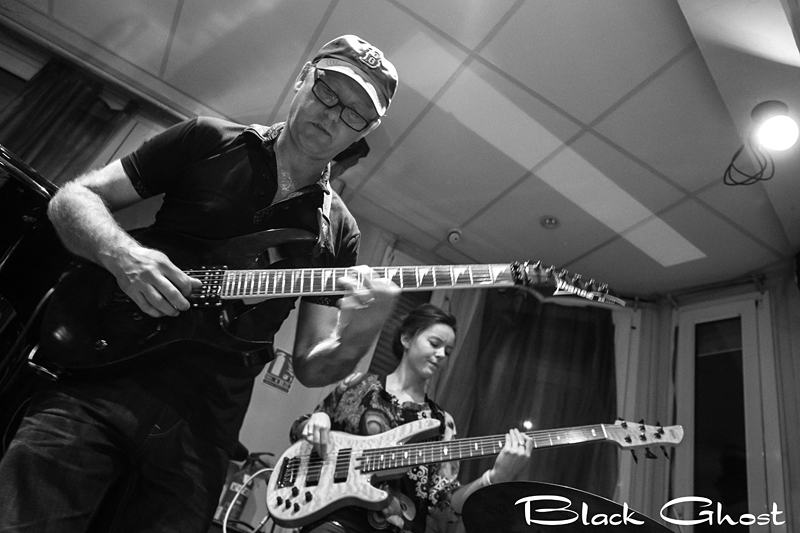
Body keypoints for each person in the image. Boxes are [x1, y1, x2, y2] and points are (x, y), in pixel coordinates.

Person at [0, 35, 401, 533]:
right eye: (327, 92)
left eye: (355, 113)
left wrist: (361, 333)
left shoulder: (339, 231)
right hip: (101, 381)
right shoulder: (207, 138)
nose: (333, 115)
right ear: (303, 77)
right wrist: (123, 256)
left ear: (365, 131)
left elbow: (310, 365)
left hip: (202, 435)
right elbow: (72, 200)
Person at [290, 304, 533, 533]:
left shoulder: (441, 423)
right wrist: (315, 421)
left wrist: (495, 477)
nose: (441, 354)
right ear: (406, 338)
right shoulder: (358, 386)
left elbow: (444, 504)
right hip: (334, 521)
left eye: (448, 351)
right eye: (435, 343)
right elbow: (299, 433)